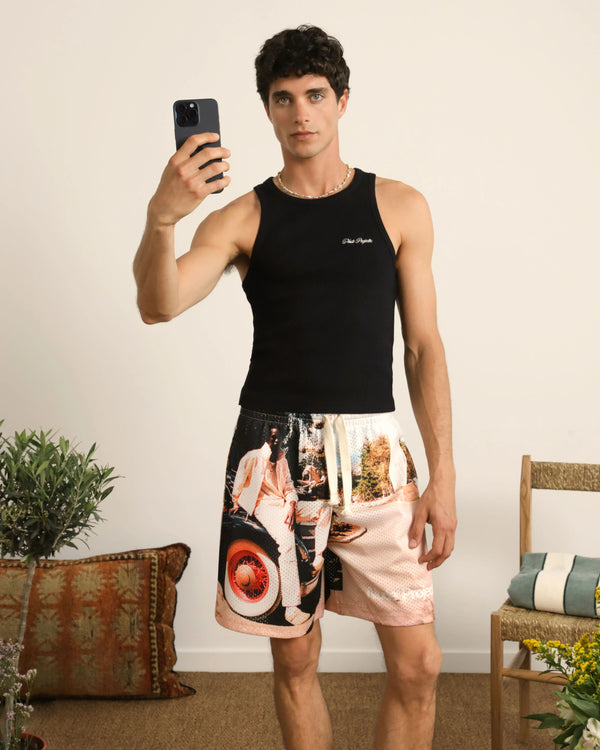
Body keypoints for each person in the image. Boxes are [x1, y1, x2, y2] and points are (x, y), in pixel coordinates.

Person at [133, 24, 456, 750]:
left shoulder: (399, 206)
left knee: (419, 664)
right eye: (284, 98)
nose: (301, 113)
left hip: (374, 454)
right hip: (272, 452)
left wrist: (444, 473)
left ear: (342, 101)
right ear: (267, 110)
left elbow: (423, 346)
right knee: (296, 659)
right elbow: (158, 304)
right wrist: (162, 217)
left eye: (314, 95)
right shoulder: (242, 217)